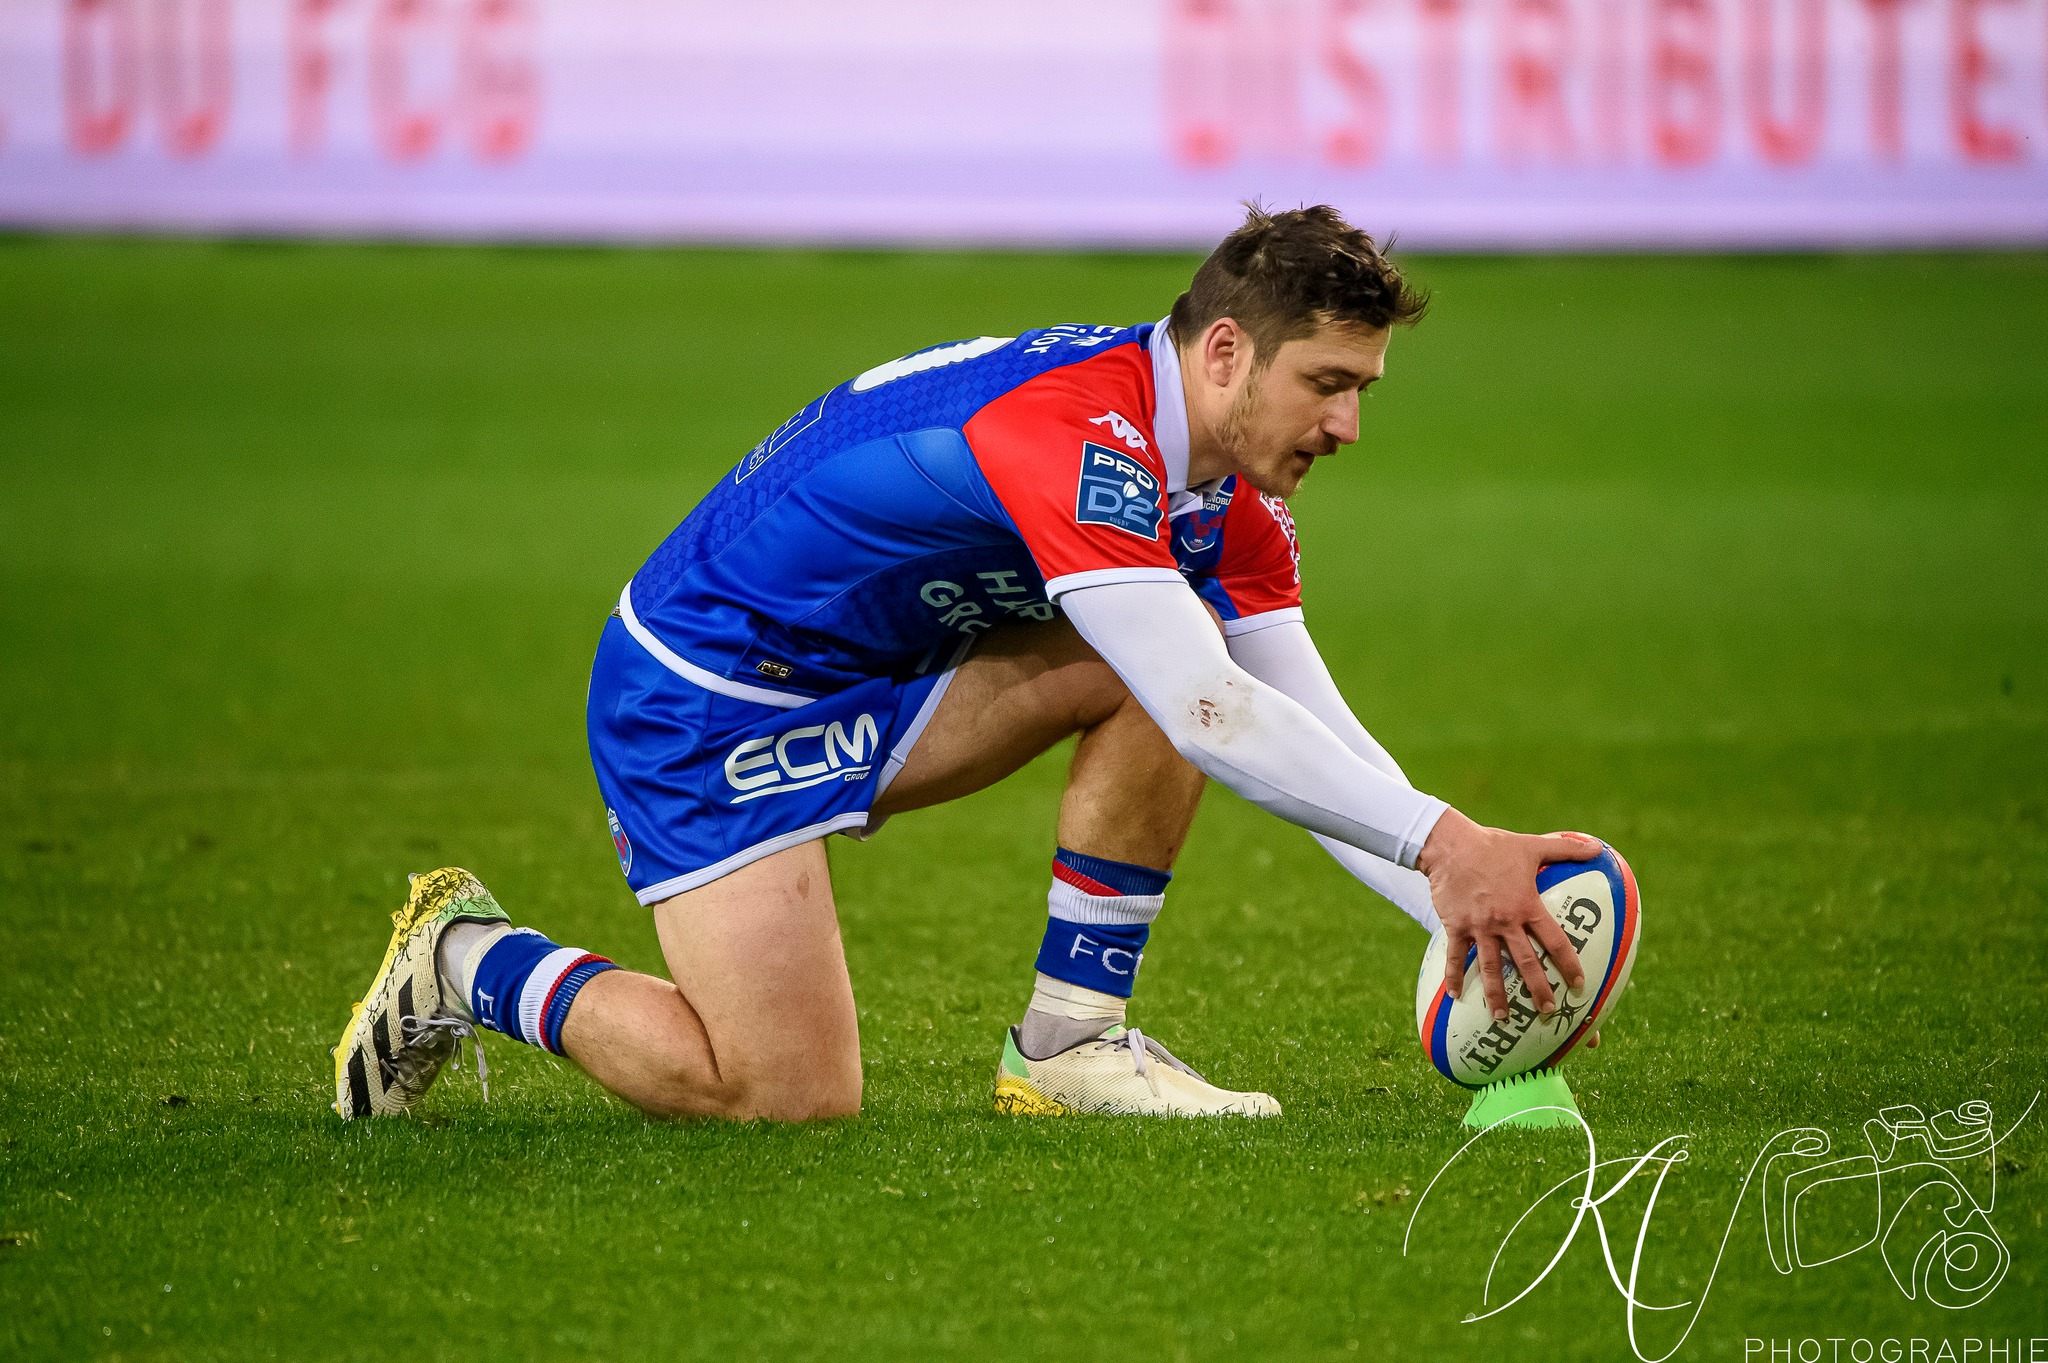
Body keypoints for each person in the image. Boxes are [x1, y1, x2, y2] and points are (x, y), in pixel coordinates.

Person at [332, 204, 1598, 1122]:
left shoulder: (1227, 496)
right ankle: (467, 958)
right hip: (702, 698)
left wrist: (1466, 910)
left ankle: (1067, 1045)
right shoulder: (1079, 438)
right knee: (778, 1097)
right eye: (1326, 383)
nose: (1347, 425)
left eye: (1363, 387)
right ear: (1223, 354)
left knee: (1181, 658)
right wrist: (1446, 852)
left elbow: (1295, 723)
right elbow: (1213, 717)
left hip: (879, 678)